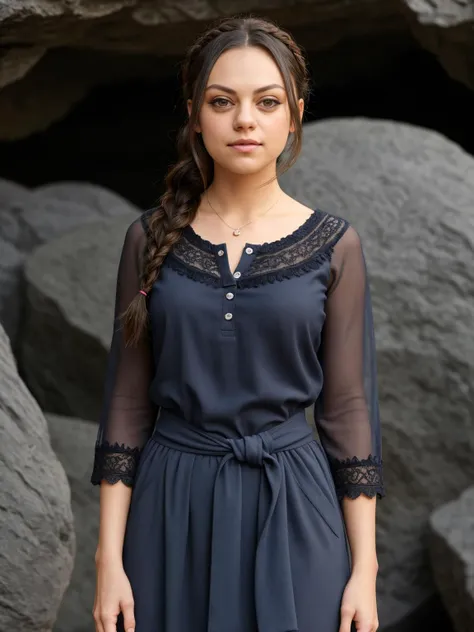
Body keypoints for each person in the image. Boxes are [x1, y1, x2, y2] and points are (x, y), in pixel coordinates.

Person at [91, 14, 385, 632]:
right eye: (222, 102)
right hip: (172, 506)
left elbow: (349, 408)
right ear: (196, 114)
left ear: (294, 113)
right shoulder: (147, 239)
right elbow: (125, 402)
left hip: (296, 506)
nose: (244, 120)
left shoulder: (337, 246)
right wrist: (108, 559)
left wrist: (365, 570)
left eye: (266, 101)